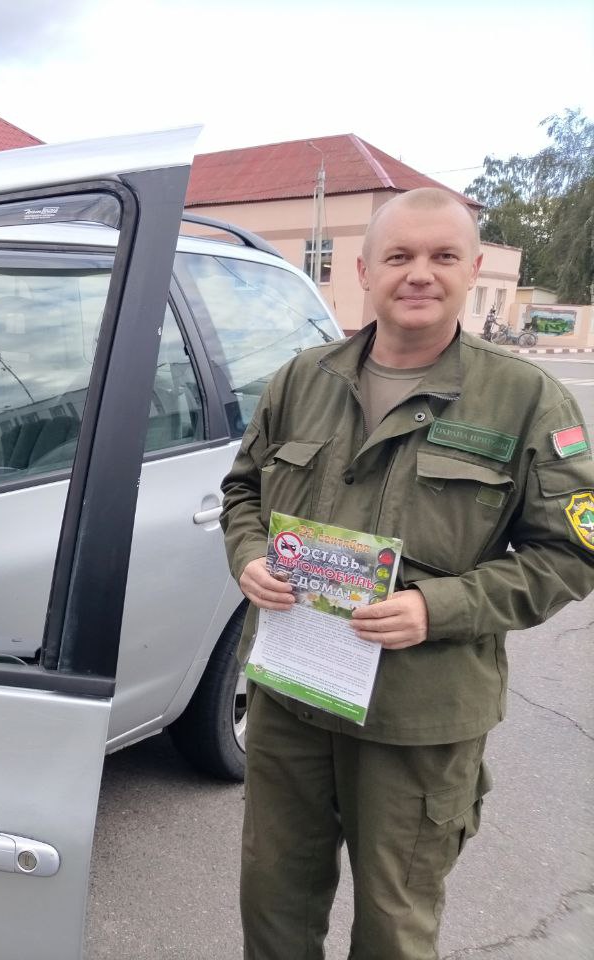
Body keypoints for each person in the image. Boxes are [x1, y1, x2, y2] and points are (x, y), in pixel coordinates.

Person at [220, 187, 594, 959]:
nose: (419, 273)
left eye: (442, 256)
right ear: (364, 271)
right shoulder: (302, 380)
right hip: (293, 695)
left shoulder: (525, 398)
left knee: (394, 926)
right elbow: (243, 491)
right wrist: (249, 556)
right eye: (399, 255)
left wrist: (440, 606)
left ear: (473, 270)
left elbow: (572, 551)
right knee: (272, 904)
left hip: (418, 716)